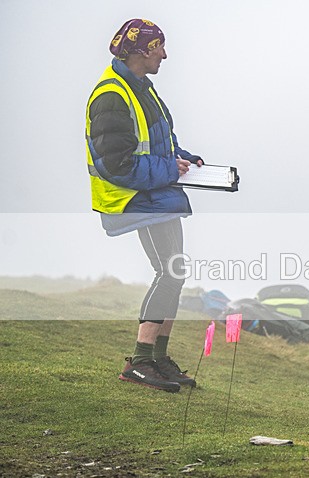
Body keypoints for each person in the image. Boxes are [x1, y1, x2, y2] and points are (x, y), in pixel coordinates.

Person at [85, 19, 203, 393]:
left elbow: (161, 141)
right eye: (158, 48)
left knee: (175, 272)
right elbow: (116, 164)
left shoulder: (141, 88)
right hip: (136, 197)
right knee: (169, 272)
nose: (164, 55)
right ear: (140, 51)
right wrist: (170, 168)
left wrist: (185, 159)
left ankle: (158, 359)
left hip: (156, 192)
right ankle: (140, 361)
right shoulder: (111, 96)